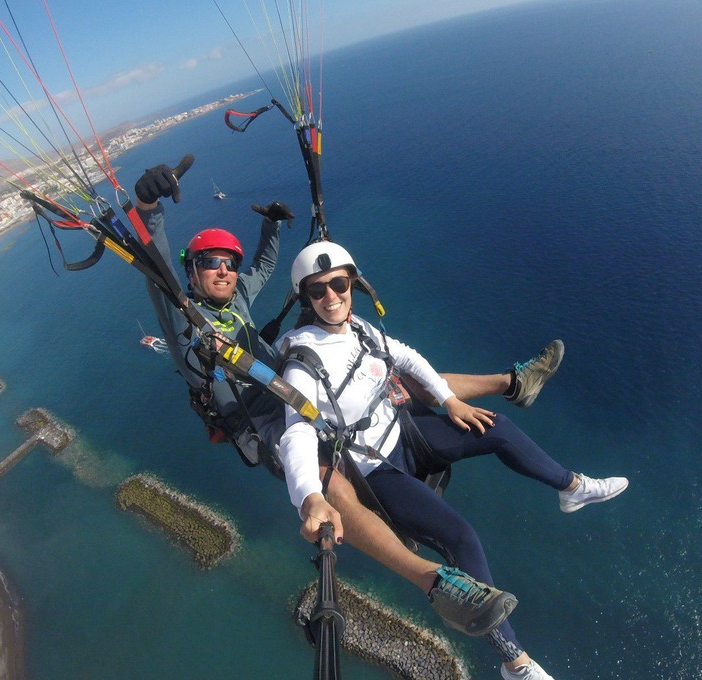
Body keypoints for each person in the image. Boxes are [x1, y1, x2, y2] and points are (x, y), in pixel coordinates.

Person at [132, 161, 538, 637]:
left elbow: (262, 267)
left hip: (296, 387)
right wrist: (147, 206)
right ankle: (433, 580)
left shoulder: (236, 298)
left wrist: (272, 226)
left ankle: (510, 383)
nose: (223, 270)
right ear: (191, 270)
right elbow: (153, 266)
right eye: (209, 263)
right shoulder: (185, 323)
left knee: (392, 380)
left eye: (228, 262)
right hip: (260, 420)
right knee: (329, 484)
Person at [277, 241, 630, 680]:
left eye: (340, 284)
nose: (331, 296)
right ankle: (514, 662)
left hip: (405, 430)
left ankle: (571, 488)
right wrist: (310, 496)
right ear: (305, 299)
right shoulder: (302, 360)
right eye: (318, 290)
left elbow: (405, 356)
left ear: (355, 285)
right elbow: (297, 431)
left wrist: (448, 400)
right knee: (461, 538)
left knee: (494, 427)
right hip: (375, 467)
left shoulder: (359, 328)